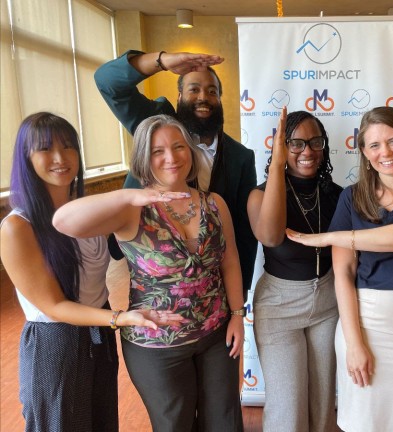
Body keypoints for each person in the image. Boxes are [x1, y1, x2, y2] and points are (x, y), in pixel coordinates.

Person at [53, 115, 245, 432]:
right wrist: (129, 195)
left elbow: (230, 261)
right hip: (156, 345)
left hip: (216, 335)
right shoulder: (132, 209)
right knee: (174, 425)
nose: (171, 157)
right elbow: (63, 221)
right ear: (144, 157)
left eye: (178, 146)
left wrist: (237, 314)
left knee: (225, 422)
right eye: (158, 151)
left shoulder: (214, 204)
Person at [288, 107, 393, 431]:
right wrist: (354, 343)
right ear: (364, 152)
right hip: (367, 324)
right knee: (364, 424)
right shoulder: (352, 198)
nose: (385, 152)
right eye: (375, 145)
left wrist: (328, 237)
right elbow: (343, 273)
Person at [0, 112, 172, 432]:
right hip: (55, 344)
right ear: (26, 158)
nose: (59, 158)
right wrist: (120, 318)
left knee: (102, 422)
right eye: (45, 149)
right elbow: (53, 306)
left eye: (68, 147)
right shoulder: (17, 228)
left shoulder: (89, 212)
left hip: (98, 335)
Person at [95, 50, 257, 298]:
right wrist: (161, 61)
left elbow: (242, 232)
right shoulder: (155, 122)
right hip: (153, 276)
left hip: (210, 286)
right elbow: (107, 81)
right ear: (179, 95)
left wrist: (240, 297)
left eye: (212, 91)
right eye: (194, 89)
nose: (204, 97)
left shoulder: (241, 157)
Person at [247, 107, 343, 431]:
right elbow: (271, 237)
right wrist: (276, 166)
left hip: (328, 303)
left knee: (322, 407)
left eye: (315, 142)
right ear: (281, 147)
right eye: (296, 143)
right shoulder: (259, 195)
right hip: (279, 307)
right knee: (288, 412)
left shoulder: (336, 194)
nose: (308, 151)